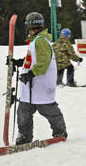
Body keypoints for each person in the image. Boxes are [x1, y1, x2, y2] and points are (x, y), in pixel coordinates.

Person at [11, 12, 67, 145]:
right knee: (23, 111)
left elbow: (43, 61)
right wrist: (20, 62)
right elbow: (33, 59)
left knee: (47, 109)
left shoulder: (41, 41)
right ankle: (24, 136)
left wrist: (31, 74)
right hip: (31, 86)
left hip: (40, 84)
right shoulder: (36, 40)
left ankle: (60, 131)